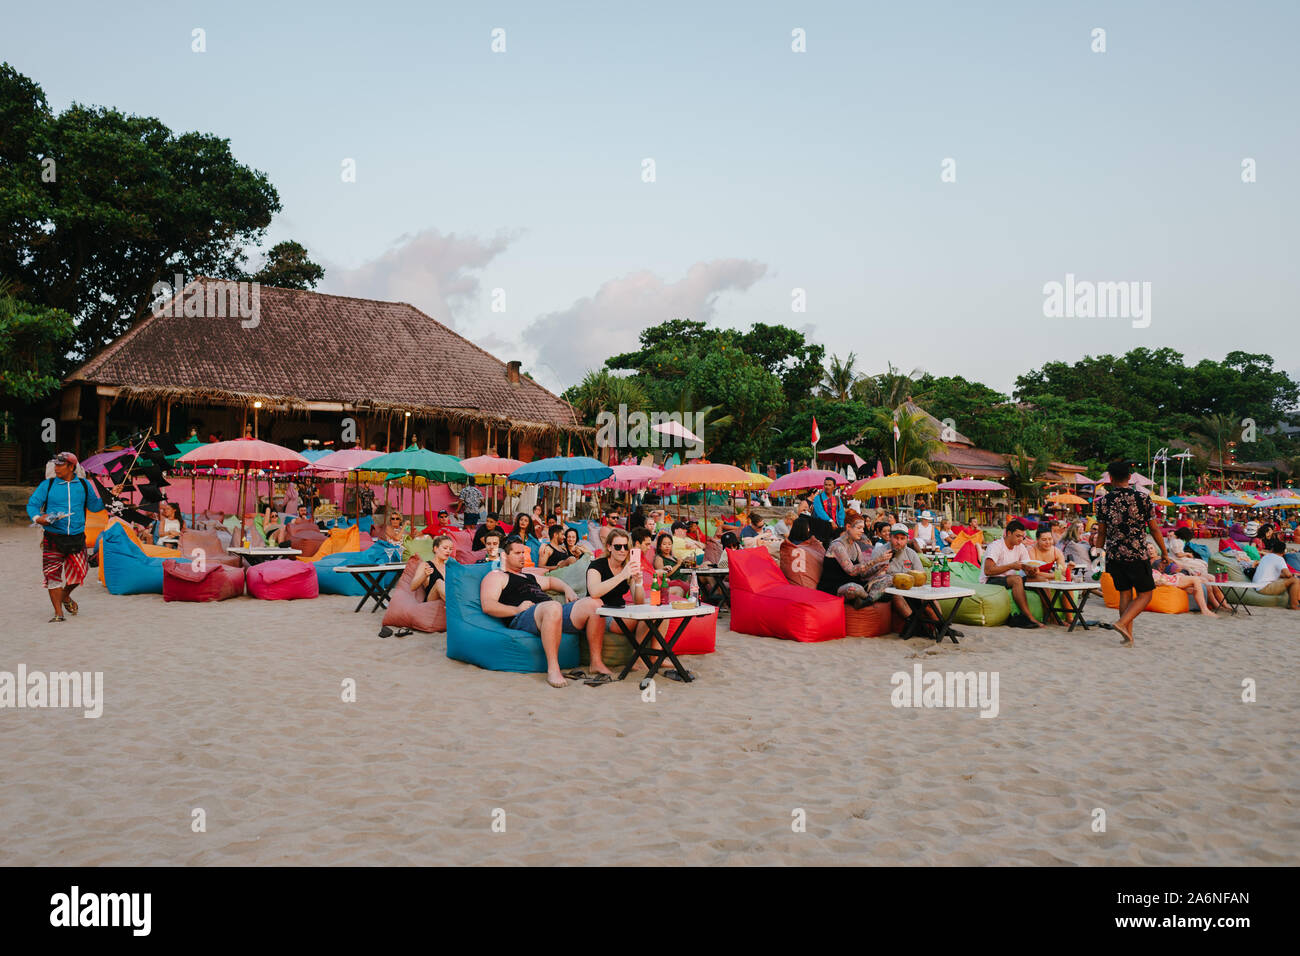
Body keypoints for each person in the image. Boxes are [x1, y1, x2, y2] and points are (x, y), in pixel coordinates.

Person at [480, 536, 611, 687]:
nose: (523, 556)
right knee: (553, 606)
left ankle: (596, 662)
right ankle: (553, 669)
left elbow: (550, 581)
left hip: (552, 612)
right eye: (517, 553)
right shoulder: (497, 576)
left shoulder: (528, 576)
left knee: (595, 604)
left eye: (523, 552)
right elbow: (488, 604)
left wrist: (567, 589)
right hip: (524, 616)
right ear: (504, 555)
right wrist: (516, 609)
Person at [1095, 460, 1170, 645]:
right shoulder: (1142, 498)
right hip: (1137, 554)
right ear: (1129, 477)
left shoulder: (1104, 501)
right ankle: (1122, 624)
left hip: (1114, 555)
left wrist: (1098, 553)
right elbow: (1154, 528)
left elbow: (1102, 532)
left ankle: (1128, 637)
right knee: (1146, 594)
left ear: (1110, 479)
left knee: (1125, 593)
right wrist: (1164, 551)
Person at [27, 452, 107, 623]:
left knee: (81, 572)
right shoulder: (47, 485)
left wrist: (110, 495)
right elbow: (33, 504)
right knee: (52, 575)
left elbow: (95, 506)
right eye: (55, 464)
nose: (56, 468)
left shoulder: (84, 485)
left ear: (71, 467)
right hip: (53, 537)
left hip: (77, 538)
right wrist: (37, 518)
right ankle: (59, 614)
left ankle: (65, 596)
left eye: (60, 465)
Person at [981, 519, 1047, 628]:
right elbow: (988, 571)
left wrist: (1032, 570)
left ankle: (1049, 615)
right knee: (1016, 579)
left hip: (1009, 578)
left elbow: (1026, 567)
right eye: (1018, 536)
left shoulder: (1020, 547)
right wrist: (1011, 566)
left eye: (1022, 536)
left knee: (1040, 579)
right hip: (991, 580)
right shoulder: (996, 546)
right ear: (1008, 533)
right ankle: (1030, 618)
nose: (1021, 539)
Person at [817, 514, 892, 609]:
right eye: (859, 528)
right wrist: (877, 560)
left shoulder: (856, 546)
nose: (862, 531)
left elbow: (863, 574)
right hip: (836, 586)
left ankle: (866, 600)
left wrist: (878, 567)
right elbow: (851, 571)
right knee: (854, 588)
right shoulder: (837, 546)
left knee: (889, 578)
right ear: (848, 527)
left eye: (863, 528)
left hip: (856, 583)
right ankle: (870, 598)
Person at [1145, 541, 1223, 614]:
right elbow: (1159, 575)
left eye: (1151, 548)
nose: (1150, 551)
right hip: (1177, 575)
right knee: (1206, 582)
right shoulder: (1150, 563)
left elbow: (1179, 564)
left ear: (1155, 549)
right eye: (1147, 549)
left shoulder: (1164, 557)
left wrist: (1191, 570)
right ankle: (1216, 606)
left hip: (1185, 572)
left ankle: (1223, 603)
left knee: (1211, 577)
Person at [1251, 538, 1300, 609]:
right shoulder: (1279, 559)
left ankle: (1294, 602)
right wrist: (1294, 575)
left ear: (1272, 549)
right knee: (1295, 580)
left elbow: (1272, 574)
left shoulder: (1266, 557)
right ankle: (1294, 604)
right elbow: (1288, 574)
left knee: (1290, 579)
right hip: (1264, 587)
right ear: (1283, 552)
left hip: (1257, 585)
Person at [411, 534, 455, 602]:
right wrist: (424, 575)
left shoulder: (450, 567)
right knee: (439, 582)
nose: (448, 551)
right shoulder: (425, 565)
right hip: (431, 599)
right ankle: (457, 606)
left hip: (446, 601)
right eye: (445, 548)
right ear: (435, 549)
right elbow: (412, 587)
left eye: (450, 549)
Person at [811, 477, 846, 547]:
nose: (827, 487)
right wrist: (830, 521)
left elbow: (841, 513)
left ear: (834, 487)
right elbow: (820, 511)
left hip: (835, 528)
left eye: (829, 485)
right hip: (821, 528)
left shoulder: (837, 499)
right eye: (825, 485)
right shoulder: (818, 498)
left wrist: (841, 527)